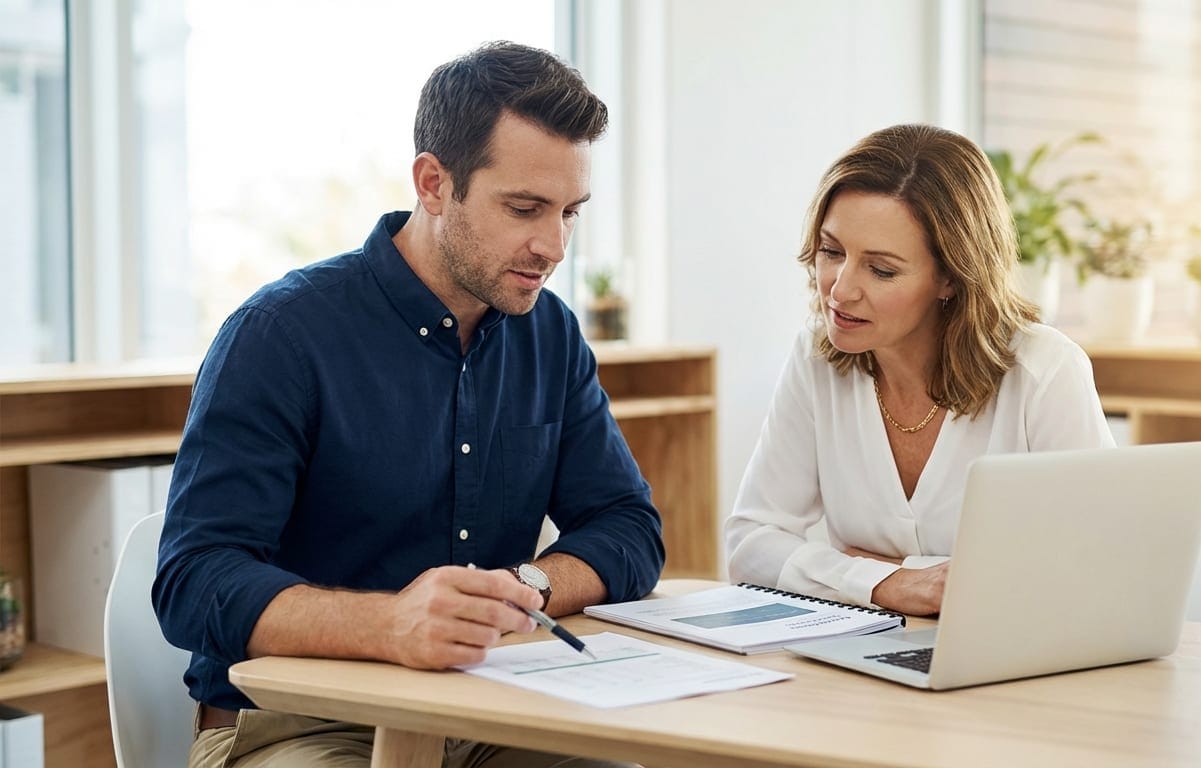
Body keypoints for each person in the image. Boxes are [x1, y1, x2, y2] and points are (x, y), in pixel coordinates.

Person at [153, 41, 664, 768]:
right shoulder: (281, 335)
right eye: (524, 208)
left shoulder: (548, 333)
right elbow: (193, 581)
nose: (554, 246)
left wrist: (527, 588)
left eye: (570, 212)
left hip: (496, 711)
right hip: (303, 725)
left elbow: (628, 526)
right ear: (433, 182)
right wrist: (389, 624)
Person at [724, 123, 1114, 618]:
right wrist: (889, 582)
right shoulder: (816, 358)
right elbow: (750, 545)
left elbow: (1093, 566)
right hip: (861, 661)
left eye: (881, 270)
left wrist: (861, 570)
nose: (840, 291)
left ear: (951, 276)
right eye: (832, 251)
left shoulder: (1045, 372)